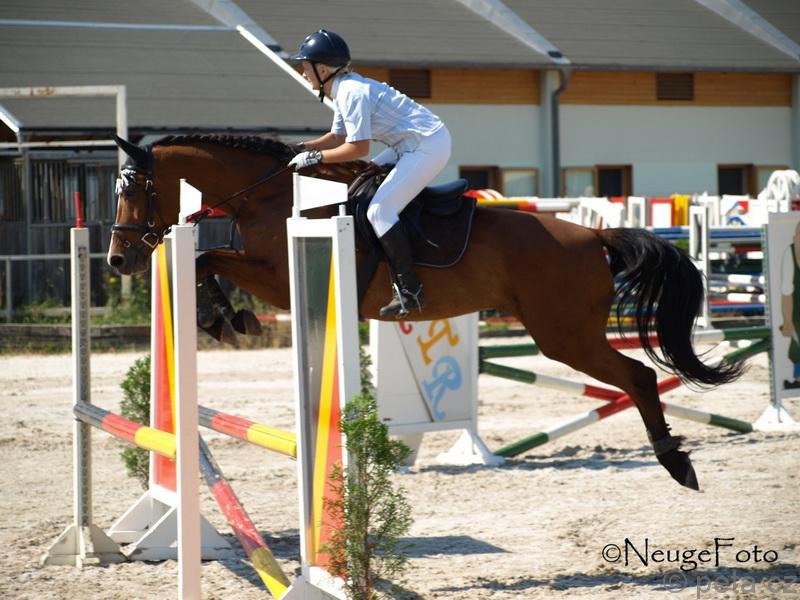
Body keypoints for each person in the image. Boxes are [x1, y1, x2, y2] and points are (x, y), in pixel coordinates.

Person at [288, 29, 452, 319]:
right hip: (407, 144)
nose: (303, 74)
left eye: (306, 67)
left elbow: (358, 148)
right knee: (360, 180)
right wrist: (301, 147)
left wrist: (315, 158)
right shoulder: (343, 90)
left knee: (379, 210)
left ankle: (410, 290)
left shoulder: (350, 92)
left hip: (428, 145)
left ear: (323, 70)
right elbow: (337, 137)